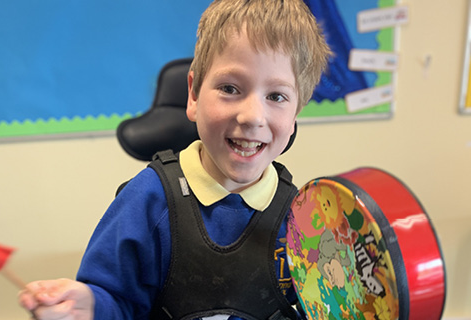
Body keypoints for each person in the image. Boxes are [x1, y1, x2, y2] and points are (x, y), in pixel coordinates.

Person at [18, 0, 330, 319]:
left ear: (295, 115)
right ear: (193, 95)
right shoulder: (147, 201)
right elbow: (114, 299)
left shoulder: (301, 219)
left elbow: (319, 306)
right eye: (230, 88)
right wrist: (88, 307)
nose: (252, 116)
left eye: (276, 96)